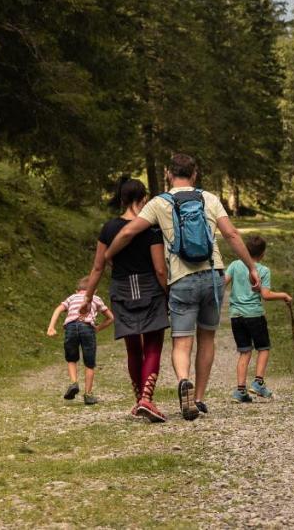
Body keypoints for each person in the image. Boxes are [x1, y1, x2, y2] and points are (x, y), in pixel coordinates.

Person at [83, 153, 261, 421]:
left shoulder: (159, 203)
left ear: (168, 174)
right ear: (195, 174)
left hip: (181, 279)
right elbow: (232, 234)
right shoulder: (209, 198)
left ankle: (183, 380)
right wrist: (251, 267)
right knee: (207, 338)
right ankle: (199, 398)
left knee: (181, 341)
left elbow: (129, 232)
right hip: (213, 275)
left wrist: (109, 254)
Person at [81, 178, 170, 423]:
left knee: (133, 347)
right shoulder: (151, 228)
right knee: (153, 344)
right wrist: (167, 293)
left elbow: (98, 267)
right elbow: (160, 269)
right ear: (143, 199)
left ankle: (140, 400)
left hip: (122, 289)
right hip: (149, 287)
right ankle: (146, 398)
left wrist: (88, 298)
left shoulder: (109, 229)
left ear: (121, 199)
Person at [223, 235, 292, 402]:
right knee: (263, 348)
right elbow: (266, 295)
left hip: (236, 316)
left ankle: (240, 391)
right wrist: (284, 295)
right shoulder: (263, 270)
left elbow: (222, 283)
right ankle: (258, 383)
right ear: (262, 254)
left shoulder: (234, 265)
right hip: (254, 315)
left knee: (244, 352)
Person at [46, 277, 112, 406]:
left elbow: (58, 309)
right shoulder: (96, 298)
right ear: (95, 291)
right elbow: (111, 318)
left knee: (71, 359)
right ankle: (88, 395)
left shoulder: (72, 297)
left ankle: (74, 382)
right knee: (89, 363)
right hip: (87, 328)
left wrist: (51, 327)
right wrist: (98, 328)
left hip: (70, 327)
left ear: (77, 291)